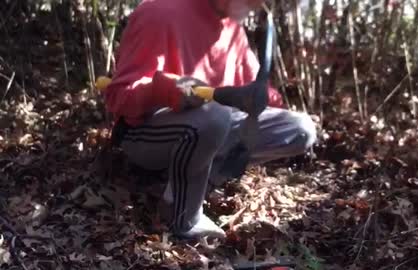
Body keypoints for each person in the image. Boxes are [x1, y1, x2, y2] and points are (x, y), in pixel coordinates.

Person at [103, 0, 318, 239]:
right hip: (145, 134)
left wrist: (262, 97)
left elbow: (254, 89)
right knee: (215, 115)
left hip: (212, 127)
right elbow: (117, 97)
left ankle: (196, 180)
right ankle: (182, 215)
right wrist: (164, 89)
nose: (258, 5)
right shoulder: (158, 11)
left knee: (300, 129)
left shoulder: (233, 29)